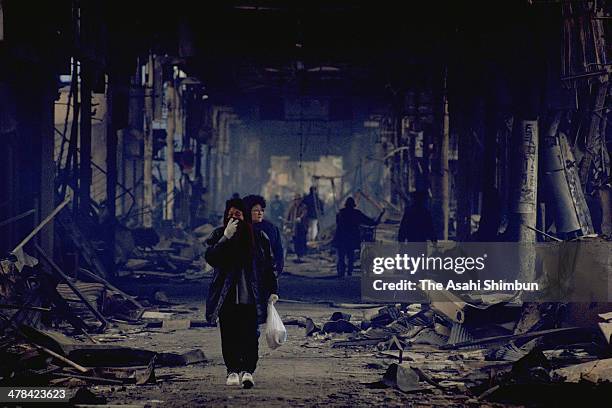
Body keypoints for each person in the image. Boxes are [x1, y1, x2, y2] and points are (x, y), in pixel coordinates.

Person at [205, 198, 279, 389]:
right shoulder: (219, 234)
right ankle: (231, 370)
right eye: (230, 215)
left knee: (250, 336)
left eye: (237, 215)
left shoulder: (259, 237)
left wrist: (272, 291)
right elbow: (212, 258)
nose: (233, 219)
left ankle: (247, 371)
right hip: (226, 296)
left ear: (244, 216)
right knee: (228, 335)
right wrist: (225, 238)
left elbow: (268, 267)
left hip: (251, 296)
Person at [333, 197, 385, 277]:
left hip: (341, 238)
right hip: (351, 238)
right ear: (353, 205)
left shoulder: (340, 213)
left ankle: (341, 272)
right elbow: (370, 222)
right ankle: (349, 272)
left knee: (341, 256)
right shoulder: (356, 213)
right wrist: (380, 216)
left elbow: (338, 224)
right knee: (350, 256)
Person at [243, 194, 284, 276]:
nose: (260, 213)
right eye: (255, 210)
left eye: (261, 210)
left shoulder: (271, 228)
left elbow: (278, 250)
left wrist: (278, 267)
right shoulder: (240, 228)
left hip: (266, 270)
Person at [286, 193, 308, 262]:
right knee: (295, 241)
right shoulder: (292, 207)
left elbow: (304, 214)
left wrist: (300, 218)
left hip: (302, 227)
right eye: (296, 200)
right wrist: (287, 224)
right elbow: (288, 216)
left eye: (298, 199)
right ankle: (297, 255)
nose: (297, 201)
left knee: (302, 241)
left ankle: (301, 255)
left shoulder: (304, 206)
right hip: (294, 228)